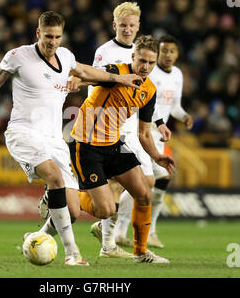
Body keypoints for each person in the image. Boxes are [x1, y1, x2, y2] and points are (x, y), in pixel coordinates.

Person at [0, 11, 142, 266]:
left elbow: (88, 72)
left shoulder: (65, 57)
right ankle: (72, 253)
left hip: (55, 140)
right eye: (48, 37)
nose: (52, 42)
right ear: (38, 33)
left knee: (73, 212)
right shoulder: (18, 56)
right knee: (55, 177)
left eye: (57, 37)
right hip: (23, 133)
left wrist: (118, 79)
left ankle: (37, 237)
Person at [69, 35, 175, 263]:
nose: (145, 67)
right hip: (87, 145)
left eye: (151, 62)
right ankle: (61, 195)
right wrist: (78, 80)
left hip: (114, 145)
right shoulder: (116, 73)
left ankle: (141, 252)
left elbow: (144, 133)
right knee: (105, 211)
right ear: (133, 57)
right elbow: (89, 75)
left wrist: (157, 156)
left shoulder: (149, 90)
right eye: (142, 61)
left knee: (145, 193)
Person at [86, 2, 170, 257]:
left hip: (132, 128)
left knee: (144, 183)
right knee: (125, 186)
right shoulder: (105, 52)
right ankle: (110, 239)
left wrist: (158, 122)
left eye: (132, 25)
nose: (127, 29)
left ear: (138, 27)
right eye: (123, 25)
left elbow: (144, 95)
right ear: (115, 25)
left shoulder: (141, 52)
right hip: (109, 128)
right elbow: (96, 85)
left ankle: (108, 233)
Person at [115, 35, 194, 248]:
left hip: (158, 136)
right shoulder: (147, 70)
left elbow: (174, 106)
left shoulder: (177, 75)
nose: (168, 55)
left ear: (177, 54)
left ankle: (149, 230)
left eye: (172, 51)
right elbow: (147, 103)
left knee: (159, 179)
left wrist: (184, 116)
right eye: (164, 51)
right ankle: (118, 229)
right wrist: (158, 122)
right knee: (141, 182)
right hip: (141, 132)